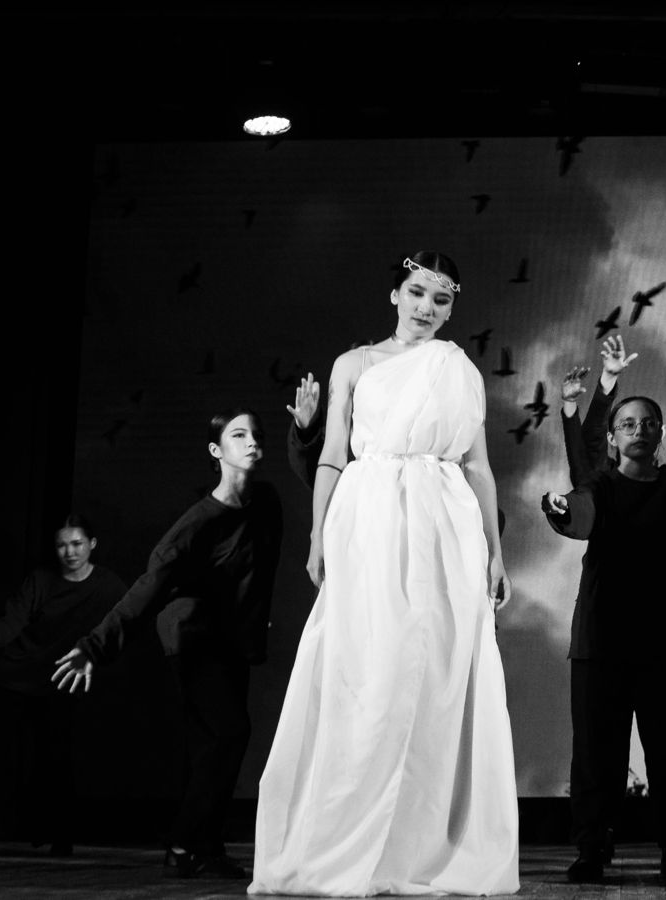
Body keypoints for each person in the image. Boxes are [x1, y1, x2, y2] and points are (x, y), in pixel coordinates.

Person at [250, 251, 518, 896]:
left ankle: (418, 846)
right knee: (368, 668)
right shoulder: (355, 364)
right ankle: (345, 838)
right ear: (395, 294)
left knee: (437, 670)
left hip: (444, 523)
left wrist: (495, 550)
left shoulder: (458, 368)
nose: (427, 308)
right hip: (369, 518)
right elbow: (332, 456)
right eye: (417, 293)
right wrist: (318, 533)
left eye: (441, 300)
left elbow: (478, 465)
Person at [53, 410, 283, 879]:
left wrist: (306, 431)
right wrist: (95, 646)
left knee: (212, 744)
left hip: (231, 638)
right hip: (192, 636)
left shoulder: (266, 502)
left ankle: (204, 848)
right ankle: (183, 840)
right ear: (216, 451)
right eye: (239, 435)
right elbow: (148, 587)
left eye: (257, 435)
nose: (252, 442)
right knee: (229, 732)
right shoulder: (196, 524)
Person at [543, 333, 666, 886]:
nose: (639, 429)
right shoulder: (599, 486)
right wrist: (560, 509)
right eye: (627, 423)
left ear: (661, 434)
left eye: (649, 423)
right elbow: (578, 503)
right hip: (602, 638)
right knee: (596, 753)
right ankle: (591, 850)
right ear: (611, 437)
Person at [0, 515, 127, 854]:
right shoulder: (41, 580)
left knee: (55, 759)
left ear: (92, 545)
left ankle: (59, 837)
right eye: (62, 545)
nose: (69, 552)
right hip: (14, 677)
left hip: (59, 682)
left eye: (76, 544)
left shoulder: (108, 586)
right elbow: (10, 623)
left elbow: (123, 625)